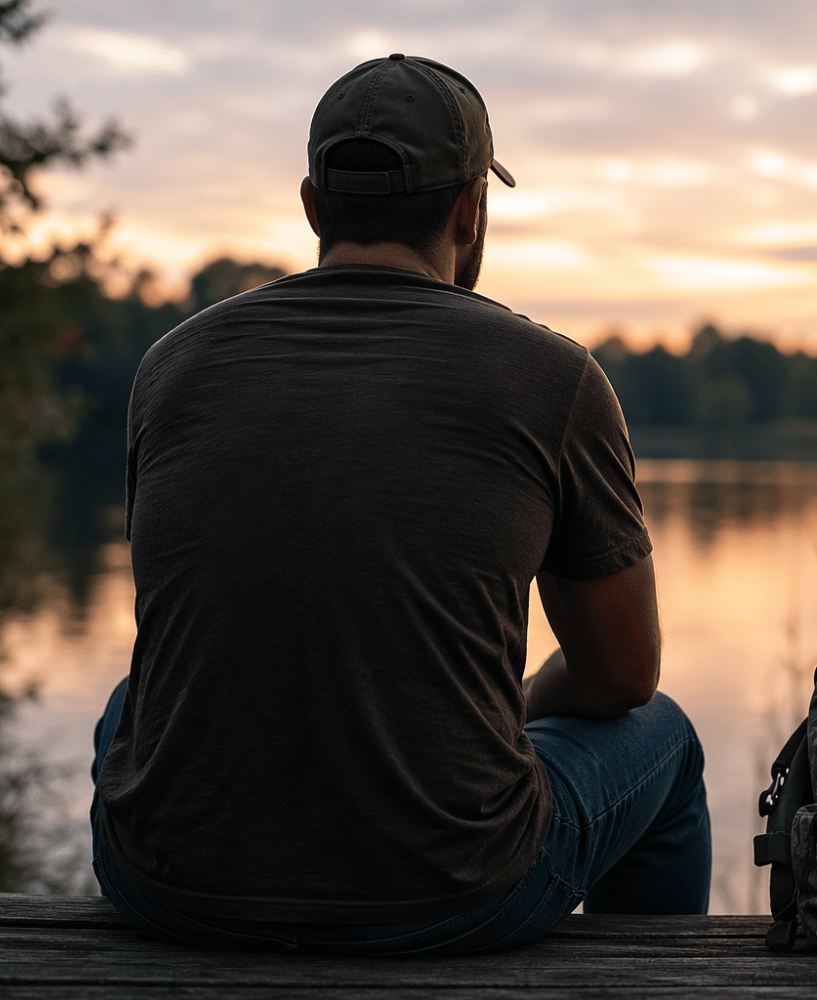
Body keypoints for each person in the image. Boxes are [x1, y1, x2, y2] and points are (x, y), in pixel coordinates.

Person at [89, 54, 711, 954]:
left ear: (312, 205)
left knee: (132, 702)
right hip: (453, 893)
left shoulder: (172, 367)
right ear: (469, 209)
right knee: (664, 734)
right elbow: (621, 676)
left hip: (162, 886)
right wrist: (510, 712)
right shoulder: (553, 379)